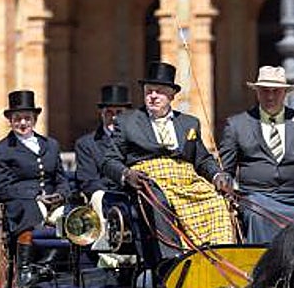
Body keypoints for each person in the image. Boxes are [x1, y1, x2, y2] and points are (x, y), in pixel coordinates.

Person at [100, 61, 236, 250]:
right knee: (160, 201)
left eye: (159, 92)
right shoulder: (127, 122)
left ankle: (219, 252)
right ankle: (172, 257)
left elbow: (203, 159)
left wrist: (217, 175)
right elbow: (109, 160)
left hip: (187, 180)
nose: (153, 96)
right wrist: (127, 174)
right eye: (149, 91)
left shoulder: (189, 123)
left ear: (172, 95)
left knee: (217, 200)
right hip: (150, 181)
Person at [219, 65, 294, 243]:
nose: (270, 97)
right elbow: (225, 169)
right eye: (265, 91)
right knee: (257, 215)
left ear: (285, 93)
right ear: (257, 92)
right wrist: (224, 182)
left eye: (276, 91)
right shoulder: (236, 125)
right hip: (257, 199)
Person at [0, 89, 72, 288]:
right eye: (18, 119)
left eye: (27, 118)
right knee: (29, 209)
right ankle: (24, 270)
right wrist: (36, 198)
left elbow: (61, 178)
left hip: (53, 202)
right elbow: (0, 186)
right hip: (19, 204)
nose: (23, 123)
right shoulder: (0, 150)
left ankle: (52, 266)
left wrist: (60, 195)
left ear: (35, 119)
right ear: (10, 121)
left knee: (75, 215)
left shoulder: (51, 145)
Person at [75, 83, 133, 209]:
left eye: (119, 112)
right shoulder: (86, 144)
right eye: (109, 112)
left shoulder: (136, 140)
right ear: (101, 113)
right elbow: (88, 182)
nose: (114, 117)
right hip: (105, 201)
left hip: (135, 198)